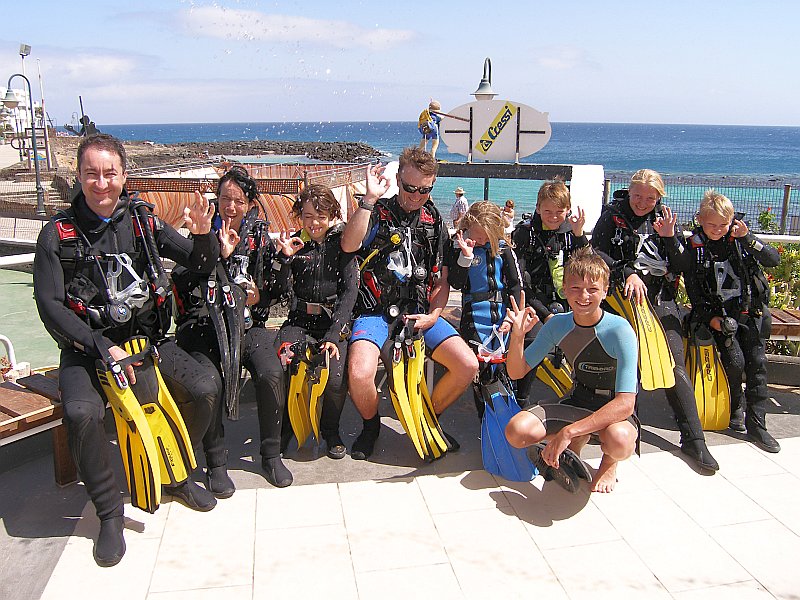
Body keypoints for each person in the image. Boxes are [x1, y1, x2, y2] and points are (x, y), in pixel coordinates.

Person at [33, 134, 220, 566]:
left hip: (145, 342)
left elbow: (200, 261)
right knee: (83, 415)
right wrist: (99, 346)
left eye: (109, 173)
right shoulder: (56, 236)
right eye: (91, 174)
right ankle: (109, 514)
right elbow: (50, 307)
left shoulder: (143, 223)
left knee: (205, 385)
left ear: (123, 175)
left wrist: (207, 236)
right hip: (87, 346)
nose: (101, 183)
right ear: (79, 177)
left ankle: (175, 473)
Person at [341, 146, 478, 460]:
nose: (416, 196)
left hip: (418, 311)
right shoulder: (376, 211)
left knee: (467, 365)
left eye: (425, 189)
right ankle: (371, 425)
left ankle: (426, 418)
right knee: (360, 373)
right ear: (398, 179)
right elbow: (349, 245)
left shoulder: (434, 220)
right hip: (375, 310)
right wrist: (368, 201)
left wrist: (435, 314)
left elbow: (442, 280)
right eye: (410, 187)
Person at [173, 165, 294, 491]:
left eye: (239, 201)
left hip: (247, 325)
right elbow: (182, 279)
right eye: (225, 199)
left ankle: (271, 455)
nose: (230, 207)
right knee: (210, 381)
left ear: (250, 203)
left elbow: (278, 290)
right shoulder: (201, 232)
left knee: (271, 373)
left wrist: (261, 291)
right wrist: (215, 256)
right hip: (205, 326)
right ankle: (216, 461)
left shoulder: (259, 238)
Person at [591, 169, 719, 472]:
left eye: (650, 198)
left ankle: (694, 438)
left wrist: (671, 239)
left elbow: (683, 265)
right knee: (626, 364)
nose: (642, 202)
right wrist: (627, 272)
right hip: (621, 303)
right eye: (637, 195)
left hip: (660, 302)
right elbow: (597, 252)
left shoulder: (665, 218)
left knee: (673, 365)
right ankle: (622, 432)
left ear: (659, 197)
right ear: (629, 191)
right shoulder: (612, 216)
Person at [504, 248, 639, 493]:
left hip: (614, 413)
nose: (583, 296)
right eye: (575, 288)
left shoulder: (620, 330)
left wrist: (567, 432)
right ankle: (575, 442)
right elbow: (516, 372)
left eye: (592, 289)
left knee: (620, 440)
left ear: (605, 291)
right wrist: (517, 337)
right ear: (564, 290)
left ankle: (608, 463)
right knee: (516, 431)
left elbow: (626, 403)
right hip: (578, 400)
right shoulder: (557, 325)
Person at [684, 190, 781, 453]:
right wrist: (712, 319)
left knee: (757, 364)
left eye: (722, 225)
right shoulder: (695, 247)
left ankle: (758, 424)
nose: (717, 230)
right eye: (711, 225)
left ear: (732, 222)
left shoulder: (741, 239)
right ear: (701, 221)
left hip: (750, 313)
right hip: (719, 317)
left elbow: (774, 259)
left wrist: (748, 238)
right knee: (735, 362)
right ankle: (736, 403)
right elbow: (694, 291)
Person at [276, 183, 358, 460]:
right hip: (298, 321)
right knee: (286, 366)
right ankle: (287, 427)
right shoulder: (295, 244)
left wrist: (334, 335)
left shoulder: (342, 245)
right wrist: (283, 260)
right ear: (300, 215)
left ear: (332, 215)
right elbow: (275, 291)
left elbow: (350, 292)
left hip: (332, 323)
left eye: (321, 216)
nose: (314, 223)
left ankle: (330, 430)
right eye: (308, 216)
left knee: (335, 378)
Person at [511, 180, 587, 403]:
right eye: (547, 211)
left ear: (568, 210)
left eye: (559, 212)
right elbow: (520, 281)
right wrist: (546, 314)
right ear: (537, 208)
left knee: (588, 339)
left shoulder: (571, 233)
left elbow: (586, 269)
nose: (553, 217)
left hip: (566, 300)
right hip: (536, 301)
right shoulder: (525, 233)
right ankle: (521, 398)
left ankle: (586, 394)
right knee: (533, 340)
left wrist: (580, 233)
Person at [445, 200, 522, 416]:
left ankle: (509, 409)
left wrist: (511, 317)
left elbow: (516, 285)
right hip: (473, 314)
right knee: (482, 369)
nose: (481, 240)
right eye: (477, 235)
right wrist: (465, 257)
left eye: (486, 236)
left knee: (502, 368)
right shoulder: (459, 244)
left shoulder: (503, 248)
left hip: (502, 316)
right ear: (468, 226)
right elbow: (456, 283)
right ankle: (485, 415)